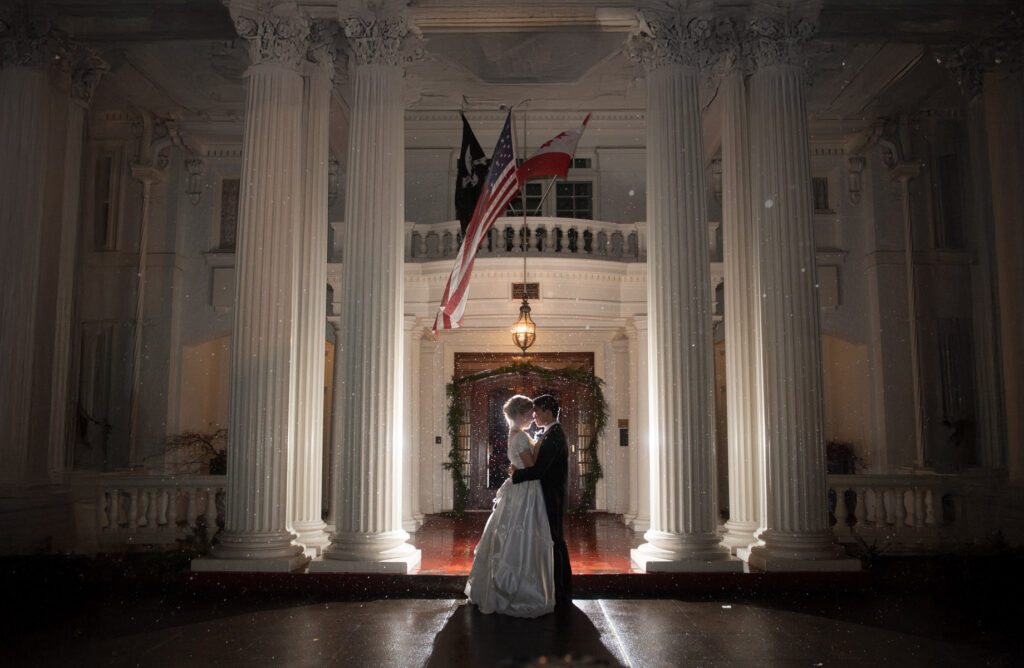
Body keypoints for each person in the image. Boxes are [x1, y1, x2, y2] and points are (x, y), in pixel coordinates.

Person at [464, 395, 556, 618]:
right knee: (524, 534)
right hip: (526, 489)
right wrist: (540, 445)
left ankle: (505, 587)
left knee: (510, 534)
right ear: (522, 415)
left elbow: (520, 464)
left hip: (520, 486)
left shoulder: (514, 434)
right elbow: (532, 465)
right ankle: (521, 590)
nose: (533, 418)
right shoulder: (521, 438)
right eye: (530, 414)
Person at [511, 394, 572, 608]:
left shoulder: (554, 435)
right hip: (548, 493)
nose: (534, 416)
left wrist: (515, 476)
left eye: (537, 411)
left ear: (547, 412)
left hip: (551, 494)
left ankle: (562, 591)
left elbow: (539, 470)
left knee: (556, 541)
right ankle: (558, 588)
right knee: (555, 540)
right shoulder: (550, 432)